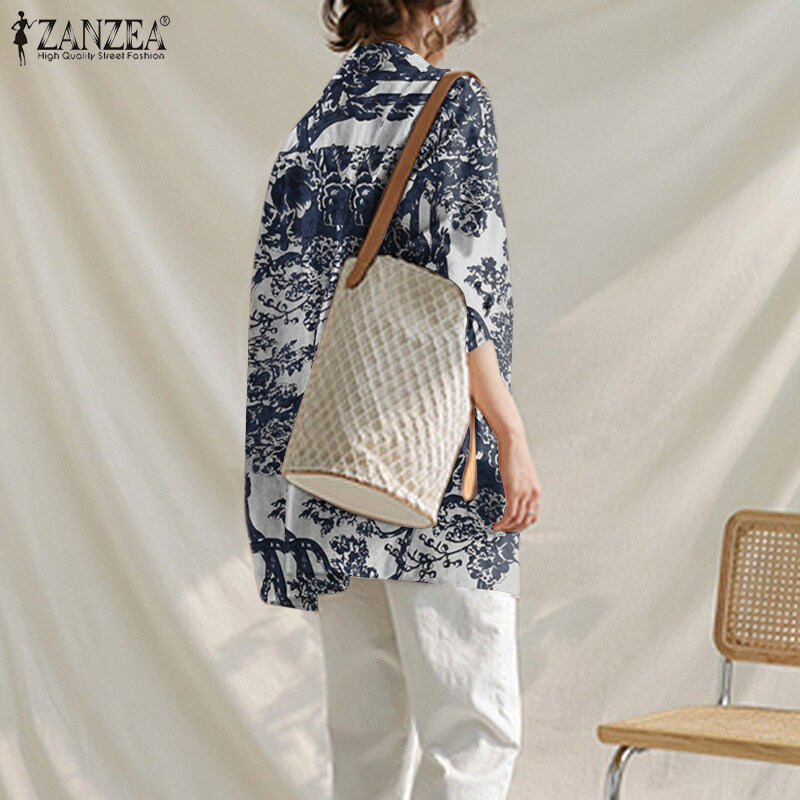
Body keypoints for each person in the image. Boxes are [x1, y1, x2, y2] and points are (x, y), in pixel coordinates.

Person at [244, 1, 542, 797]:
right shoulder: (452, 103)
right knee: (471, 732)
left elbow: (278, 319)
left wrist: (274, 494)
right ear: (441, 7)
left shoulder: (313, 127)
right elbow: (461, 282)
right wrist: (509, 429)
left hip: (329, 465)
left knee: (367, 743)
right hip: (436, 462)